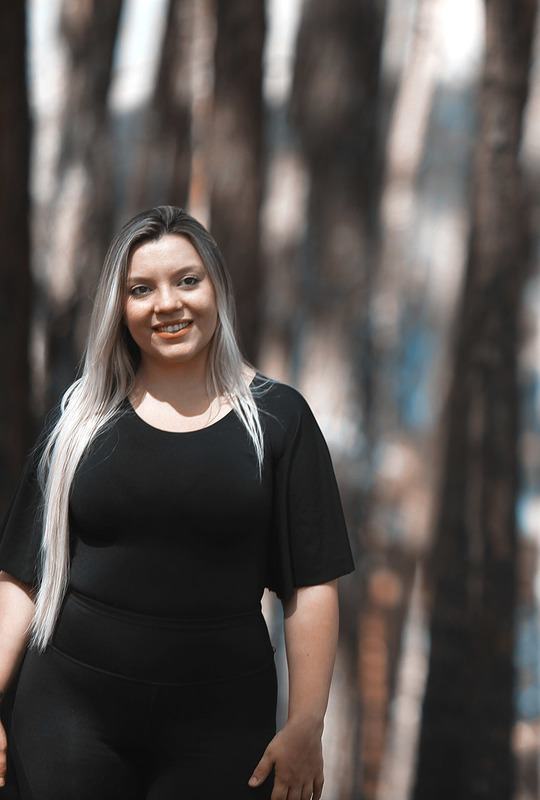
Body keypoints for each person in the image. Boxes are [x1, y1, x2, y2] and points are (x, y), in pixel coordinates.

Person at [0, 205, 356, 800]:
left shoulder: (279, 419)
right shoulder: (79, 416)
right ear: (120, 308)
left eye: (187, 280)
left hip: (222, 727)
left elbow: (312, 582)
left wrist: (306, 723)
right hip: (68, 714)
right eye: (141, 289)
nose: (166, 304)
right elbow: (21, 576)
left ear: (218, 288)